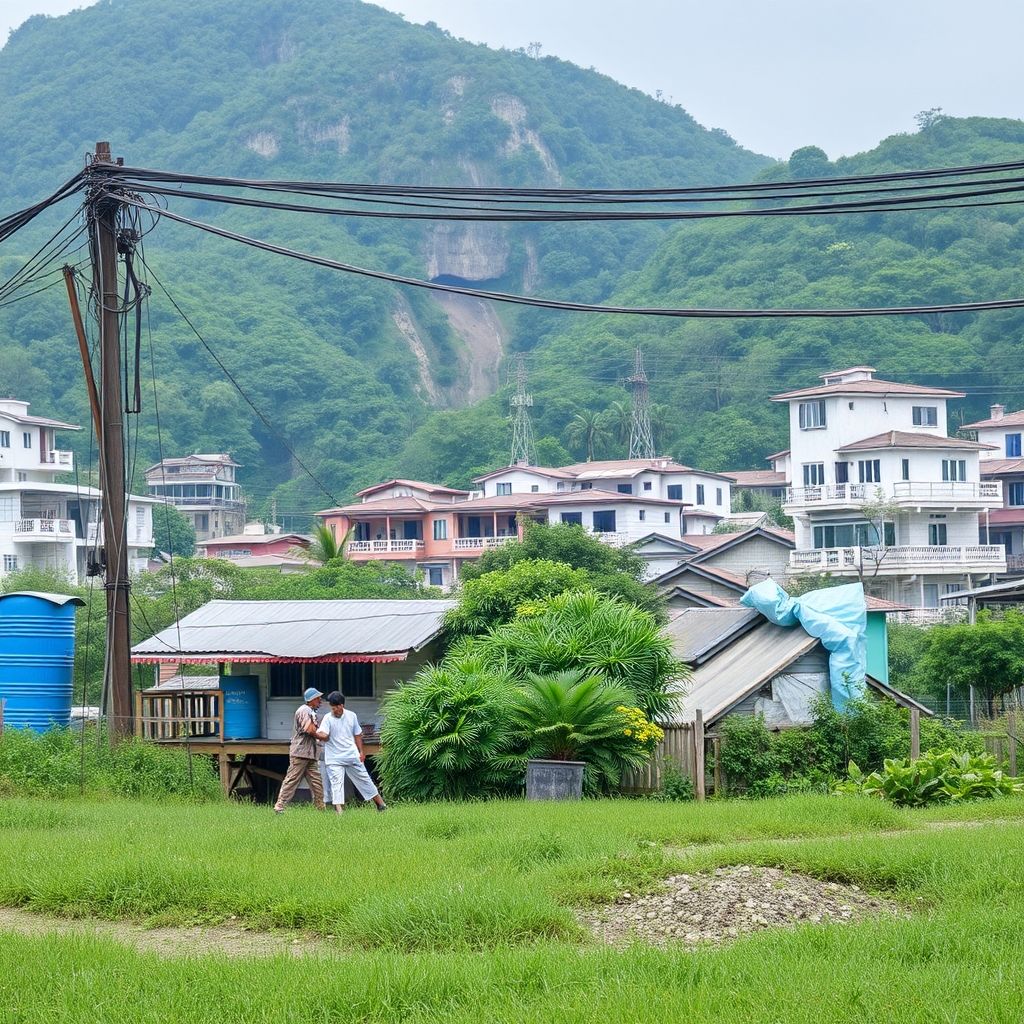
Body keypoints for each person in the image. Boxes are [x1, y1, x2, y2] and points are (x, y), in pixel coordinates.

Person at [315, 690, 387, 813]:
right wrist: (316, 734)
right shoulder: (327, 718)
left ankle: (381, 805)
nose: (333, 711)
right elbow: (323, 733)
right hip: (334, 758)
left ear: (341, 706)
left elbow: (357, 734)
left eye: (334, 708)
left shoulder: (351, 716)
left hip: (351, 755)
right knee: (336, 784)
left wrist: (361, 751)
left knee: (365, 779)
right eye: (331, 708)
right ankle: (339, 812)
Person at [273, 686, 326, 813]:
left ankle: (320, 808)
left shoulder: (311, 711)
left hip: (310, 753)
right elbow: (309, 729)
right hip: (300, 753)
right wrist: (321, 735)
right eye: (318, 698)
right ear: (311, 699)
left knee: (316, 782)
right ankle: (279, 806)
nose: (320, 700)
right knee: (292, 779)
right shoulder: (304, 710)